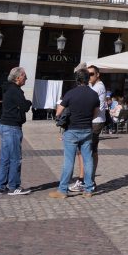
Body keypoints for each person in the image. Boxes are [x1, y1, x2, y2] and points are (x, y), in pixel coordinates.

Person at [50, 68, 100, 199]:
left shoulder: (70, 93)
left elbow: (58, 112)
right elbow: (96, 113)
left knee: (69, 161)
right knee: (88, 160)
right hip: (87, 129)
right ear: (88, 79)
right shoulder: (94, 94)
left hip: (72, 130)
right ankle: (88, 189)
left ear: (77, 80)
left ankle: (62, 190)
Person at [68, 65, 106, 194]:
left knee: (86, 152)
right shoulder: (92, 87)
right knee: (88, 152)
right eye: (87, 74)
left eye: (91, 74)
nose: (89, 77)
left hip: (94, 122)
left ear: (98, 74)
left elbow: (95, 108)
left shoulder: (98, 87)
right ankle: (88, 180)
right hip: (92, 121)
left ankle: (85, 181)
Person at [0, 67, 33, 196]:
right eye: (24, 76)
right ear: (18, 77)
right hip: (12, 127)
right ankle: (14, 186)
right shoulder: (15, 90)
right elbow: (24, 106)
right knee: (15, 158)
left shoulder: (7, 89)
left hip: (4, 125)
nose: (26, 79)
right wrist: (29, 102)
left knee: (5, 158)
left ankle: (0, 187)